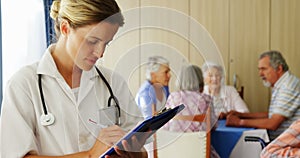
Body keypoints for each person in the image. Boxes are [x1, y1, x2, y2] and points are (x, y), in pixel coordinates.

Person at [0, 0, 148, 157]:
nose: (100, 53)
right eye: (93, 41)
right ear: (65, 28)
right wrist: (90, 155)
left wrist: (131, 153)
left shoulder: (113, 82)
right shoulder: (23, 85)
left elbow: (143, 152)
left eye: (106, 43)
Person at [226, 50, 300, 140]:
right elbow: (272, 115)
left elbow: (273, 123)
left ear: (279, 69)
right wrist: (241, 115)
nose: (260, 74)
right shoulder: (282, 84)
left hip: (287, 145)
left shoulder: (288, 87)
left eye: (264, 69)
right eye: (259, 69)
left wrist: (239, 122)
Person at [162, 64, 219, 158]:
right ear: (200, 80)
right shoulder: (206, 99)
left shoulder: (173, 97)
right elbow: (213, 125)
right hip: (199, 153)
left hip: (173, 152)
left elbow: (164, 125)